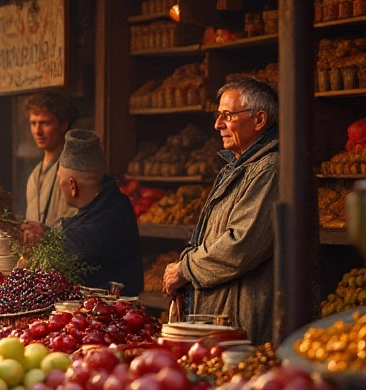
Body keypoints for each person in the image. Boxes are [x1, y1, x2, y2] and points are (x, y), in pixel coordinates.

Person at [163, 77, 280, 344]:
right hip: (228, 320)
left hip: (247, 325)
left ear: (259, 120)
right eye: (218, 115)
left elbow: (240, 245)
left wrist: (185, 269)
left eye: (227, 116)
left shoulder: (270, 169)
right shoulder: (241, 167)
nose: (218, 125)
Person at [23, 130, 142, 294]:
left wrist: (46, 236)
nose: (59, 185)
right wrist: (46, 232)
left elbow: (84, 241)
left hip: (112, 314)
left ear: (73, 186)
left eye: (59, 180)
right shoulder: (109, 201)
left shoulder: (114, 213)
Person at [21, 91, 80, 232]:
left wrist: (46, 232)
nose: (37, 131)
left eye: (45, 123)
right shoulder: (35, 174)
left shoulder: (73, 169)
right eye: (33, 123)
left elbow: (78, 224)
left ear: (63, 124)